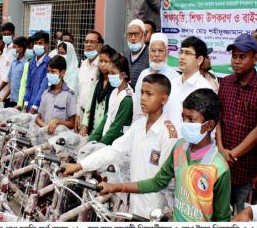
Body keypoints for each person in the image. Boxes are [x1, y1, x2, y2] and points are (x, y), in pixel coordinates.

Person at [95, 89, 231, 222]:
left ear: (209, 125)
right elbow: (157, 182)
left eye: (191, 119)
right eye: (183, 117)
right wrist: (116, 186)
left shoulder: (219, 168)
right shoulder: (180, 148)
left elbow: (222, 218)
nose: (185, 124)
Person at [62, 74, 178, 219]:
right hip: (134, 203)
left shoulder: (168, 134)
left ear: (164, 99)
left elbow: (163, 182)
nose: (142, 98)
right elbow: (113, 151)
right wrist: (79, 166)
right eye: (142, 92)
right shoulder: (138, 126)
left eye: (149, 94)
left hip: (155, 211)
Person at [216, 33, 257, 213]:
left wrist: (233, 154)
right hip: (221, 166)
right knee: (220, 214)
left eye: (242, 57)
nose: (236, 61)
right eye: (234, 56)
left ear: (255, 58)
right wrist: (222, 149)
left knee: (243, 216)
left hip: (247, 171)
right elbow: (218, 119)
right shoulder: (225, 83)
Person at [164, 36, 213, 133]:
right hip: (166, 142)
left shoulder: (205, 89)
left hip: (189, 145)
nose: (182, 57)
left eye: (187, 53)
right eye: (181, 52)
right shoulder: (172, 83)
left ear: (199, 60)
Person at [87, 54, 134, 145]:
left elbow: (116, 127)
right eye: (109, 73)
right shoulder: (114, 92)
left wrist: (100, 144)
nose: (109, 76)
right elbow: (106, 118)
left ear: (123, 75)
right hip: (108, 141)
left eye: (113, 73)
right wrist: (91, 139)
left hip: (119, 144)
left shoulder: (127, 99)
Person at [133, 33, 179, 122]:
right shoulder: (143, 74)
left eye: (160, 51)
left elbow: (174, 110)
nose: (156, 54)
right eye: (153, 51)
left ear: (167, 52)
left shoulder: (175, 77)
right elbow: (137, 105)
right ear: (149, 52)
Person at [80, 45, 116, 136]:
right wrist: (84, 125)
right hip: (93, 130)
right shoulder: (97, 83)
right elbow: (89, 105)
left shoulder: (115, 85)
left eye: (106, 61)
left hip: (106, 132)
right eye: (101, 61)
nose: (102, 64)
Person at [35, 55, 76, 134]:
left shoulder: (69, 95)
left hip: (58, 140)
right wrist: (46, 127)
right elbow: (38, 118)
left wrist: (57, 121)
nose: (50, 74)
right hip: (43, 136)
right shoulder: (46, 93)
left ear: (62, 73)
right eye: (48, 71)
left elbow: (72, 124)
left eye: (53, 72)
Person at [76, 30, 104, 130]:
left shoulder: (102, 66)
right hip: (82, 113)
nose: (88, 45)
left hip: (95, 116)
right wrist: (78, 113)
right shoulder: (83, 64)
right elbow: (79, 92)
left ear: (100, 45)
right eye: (86, 42)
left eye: (92, 42)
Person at [24, 30, 51, 114]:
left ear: (46, 44)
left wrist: (35, 106)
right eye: (36, 43)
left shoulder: (49, 63)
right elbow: (28, 84)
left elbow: (44, 87)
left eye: (40, 43)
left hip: (40, 106)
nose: (37, 45)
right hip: (29, 105)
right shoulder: (31, 62)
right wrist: (26, 102)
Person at [0, 36, 27, 107]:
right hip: (12, 99)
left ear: (21, 49)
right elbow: (11, 83)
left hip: (20, 102)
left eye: (14, 47)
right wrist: (3, 99)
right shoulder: (14, 62)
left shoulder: (25, 64)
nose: (12, 49)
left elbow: (25, 85)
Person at [124, 19, 150, 89]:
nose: (133, 38)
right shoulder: (124, 54)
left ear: (144, 35)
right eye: (130, 34)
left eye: (136, 34)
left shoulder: (151, 55)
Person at [17, 35, 36, 110]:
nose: (29, 50)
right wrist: (20, 103)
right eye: (28, 48)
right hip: (24, 103)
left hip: (34, 105)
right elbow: (23, 85)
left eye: (31, 48)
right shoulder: (27, 64)